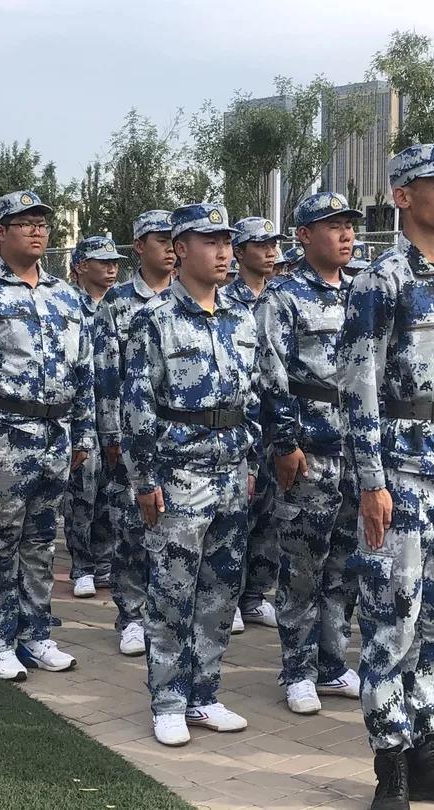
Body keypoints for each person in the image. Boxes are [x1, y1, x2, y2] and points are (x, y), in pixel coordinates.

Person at [341, 144, 434, 809]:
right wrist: (371, 481)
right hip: (400, 475)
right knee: (390, 622)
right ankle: (391, 764)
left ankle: (427, 749)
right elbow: (358, 386)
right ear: (403, 196)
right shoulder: (381, 282)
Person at [122, 202, 258, 747]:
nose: (224, 252)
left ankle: (204, 694)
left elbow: (253, 398)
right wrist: (145, 480)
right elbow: (137, 407)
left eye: (227, 242)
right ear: (180, 249)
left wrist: (249, 462)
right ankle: (169, 700)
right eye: (210, 242)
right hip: (179, 474)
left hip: (231, 472)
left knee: (221, 592)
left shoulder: (241, 317)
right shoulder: (153, 320)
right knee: (172, 592)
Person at [0, 190, 94, 680]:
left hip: (55, 435)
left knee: (41, 542)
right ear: (0, 233)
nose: (36, 230)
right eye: (24, 223)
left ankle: (36, 634)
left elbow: (83, 371)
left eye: (42, 223)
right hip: (4, 436)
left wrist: (82, 434)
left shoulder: (65, 296)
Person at [256, 193, 362, 717]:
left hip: (356, 450)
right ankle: (297, 669)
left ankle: (332, 661)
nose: (346, 234)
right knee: (302, 565)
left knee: (345, 562)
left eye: (349, 225)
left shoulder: (362, 292)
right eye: (333, 226)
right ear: (304, 236)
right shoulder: (283, 296)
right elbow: (270, 373)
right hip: (309, 449)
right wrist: (284, 443)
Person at [93, 209, 175, 657]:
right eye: (160, 240)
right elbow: (106, 375)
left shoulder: (192, 297)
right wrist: (110, 435)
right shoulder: (118, 303)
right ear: (140, 246)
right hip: (132, 434)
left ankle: (169, 613)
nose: (169, 248)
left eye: (174, 239)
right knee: (132, 527)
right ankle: (131, 615)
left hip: (183, 437)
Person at [224, 216, 283, 633]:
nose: (270, 251)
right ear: (239, 252)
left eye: (273, 244)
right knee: (237, 514)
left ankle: (255, 596)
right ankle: (229, 596)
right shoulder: (228, 301)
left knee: (270, 514)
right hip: (243, 419)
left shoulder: (281, 297)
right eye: (260, 245)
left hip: (276, 419)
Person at [65, 235, 123, 598]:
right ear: (81, 266)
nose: (112, 268)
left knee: (111, 492)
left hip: (116, 415)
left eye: (115, 262)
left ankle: (104, 562)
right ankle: (82, 566)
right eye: (103, 262)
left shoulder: (119, 305)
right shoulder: (68, 306)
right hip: (82, 414)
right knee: (81, 493)